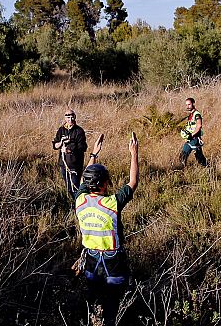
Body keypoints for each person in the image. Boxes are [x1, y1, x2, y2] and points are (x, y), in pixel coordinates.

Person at [74, 133, 139, 325]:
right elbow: (133, 182)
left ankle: (92, 319)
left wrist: (94, 154)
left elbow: (82, 184)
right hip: (113, 261)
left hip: (91, 259)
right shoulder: (112, 203)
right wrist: (134, 153)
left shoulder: (80, 200)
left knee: (93, 296)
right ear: (104, 183)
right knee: (113, 301)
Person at [52, 109, 87, 200]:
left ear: (74, 117)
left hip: (75, 165)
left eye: (72, 117)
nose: (70, 119)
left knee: (75, 187)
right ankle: (74, 204)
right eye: (68, 117)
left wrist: (69, 150)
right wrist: (61, 143)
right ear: (65, 118)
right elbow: (55, 145)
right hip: (63, 165)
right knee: (69, 188)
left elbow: (83, 147)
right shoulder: (61, 130)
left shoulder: (79, 131)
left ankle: (80, 206)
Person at [179, 97, 207, 167]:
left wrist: (191, 135)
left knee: (200, 159)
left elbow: (199, 126)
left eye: (189, 104)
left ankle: (210, 172)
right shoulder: (191, 114)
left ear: (193, 104)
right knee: (183, 156)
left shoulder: (197, 114)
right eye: (186, 105)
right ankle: (183, 172)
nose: (187, 106)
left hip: (194, 139)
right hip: (190, 139)